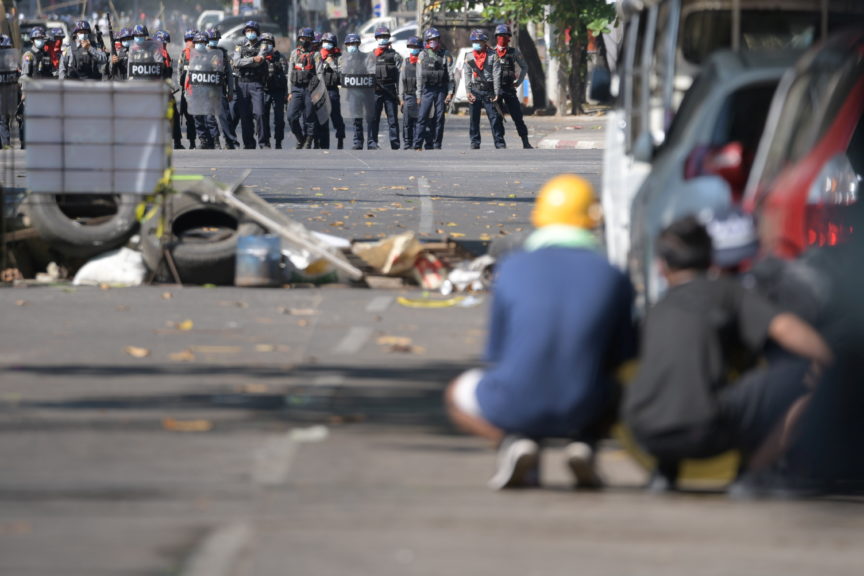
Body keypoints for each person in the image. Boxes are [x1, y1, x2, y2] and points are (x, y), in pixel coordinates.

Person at [445, 174, 637, 490]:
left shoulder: (512, 269)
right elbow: (623, 356)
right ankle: (586, 443)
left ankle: (513, 443)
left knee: (455, 394)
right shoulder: (612, 275)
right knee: (626, 384)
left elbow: (497, 353)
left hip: (515, 402)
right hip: (586, 403)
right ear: (593, 219)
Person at [623, 215, 834, 493]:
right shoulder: (728, 292)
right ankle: (756, 475)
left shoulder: (656, 308)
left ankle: (665, 471)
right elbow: (786, 329)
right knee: (809, 383)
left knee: (677, 383)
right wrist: (835, 363)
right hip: (704, 430)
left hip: (641, 431)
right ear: (713, 260)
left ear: (663, 268)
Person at [463, 29, 505, 149]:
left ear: (484, 42)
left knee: (494, 118)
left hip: (489, 91)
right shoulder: (469, 56)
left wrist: (496, 92)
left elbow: (497, 74)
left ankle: (499, 142)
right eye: (474, 41)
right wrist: (468, 92)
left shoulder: (493, 55)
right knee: (474, 118)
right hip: (475, 90)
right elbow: (466, 75)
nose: (476, 43)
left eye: (479, 41)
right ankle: (475, 142)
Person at [413, 27, 454, 150]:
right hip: (427, 90)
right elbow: (419, 76)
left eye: (435, 39)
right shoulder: (422, 55)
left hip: (440, 90)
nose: (433, 41)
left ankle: (437, 144)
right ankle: (418, 144)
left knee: (439, 117)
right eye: (431, 39)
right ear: (426, 40)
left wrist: (450, 92)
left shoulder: (445, 55)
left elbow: (450, 76)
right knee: (422, 117)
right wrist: (418, 95)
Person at [493, 24, 532, 149]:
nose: (502, 38)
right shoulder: (491, 53)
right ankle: (500, 143)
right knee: (497, 117)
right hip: (496, 90)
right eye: (500, 36)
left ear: (509, 38)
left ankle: (525, 142)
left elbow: (525, 67)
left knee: (517, 116)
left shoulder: (514, 52)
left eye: (505, 36)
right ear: (496, 37)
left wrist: (519, 82)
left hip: (509, 88)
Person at [233, 20, 269, 149]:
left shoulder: (263, 45)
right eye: (247, 31)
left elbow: (260, 61)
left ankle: (263, 142)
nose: (250, 33)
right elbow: (236, 62)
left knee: (259, 113)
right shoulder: (239, 45)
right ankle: (248, 143)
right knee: (245, 116)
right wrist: (252, 59)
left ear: (257, 32)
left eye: (252, 31)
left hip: (256, 83)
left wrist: (248, 60)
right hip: (242, 83)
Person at [366, 26, 401, 150]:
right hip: (375, 91)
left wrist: (400, 95)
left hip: (390, 90)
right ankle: (372, 142)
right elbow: (367, 75)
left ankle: (395, 144)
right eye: (380, 37)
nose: (382, 39)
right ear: (376, 38)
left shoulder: (395, 56)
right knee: (373, 118)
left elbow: (399, 76)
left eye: (385, 37)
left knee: (392, 119)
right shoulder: (371, 56)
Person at [205, 28, 238, 150]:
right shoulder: (202, 52)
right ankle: (215, 140)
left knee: (225, 116)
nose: (214, 41)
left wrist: (230, 90)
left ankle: (229, 141)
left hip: (220, 89)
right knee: (209, 117)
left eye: (216, 39)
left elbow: (229, 74)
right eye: (212, 39)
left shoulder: (223, 53)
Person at [287, 27, 318, 149]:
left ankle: (309, 140)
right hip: (296, 88)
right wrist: (289, 91)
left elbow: (319, 74)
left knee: (310, 116)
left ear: (311, 40)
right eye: (302, 38)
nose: (304, 40)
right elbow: (290, 73)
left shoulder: (316, 55)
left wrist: (317, 92)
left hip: (310, 89)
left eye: (307, 38)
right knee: (291, 116)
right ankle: (300, 138)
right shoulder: (294, 53)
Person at [400, 36, 430, 150]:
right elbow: (401, 80)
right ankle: (408, 143)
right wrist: (401, 98)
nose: (413, 49)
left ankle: (421, 142)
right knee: (407, 121)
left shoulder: (424, 61)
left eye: (415, 47)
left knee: (421, 121)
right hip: (408, 95)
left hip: (422, 96)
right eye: (411, 47)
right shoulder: (406, 61)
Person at [318, 32, 345, 149]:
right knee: (322, 119)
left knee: (336, 117)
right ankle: (324, 145)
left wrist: (331, 63)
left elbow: (342, 73)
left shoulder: (339, 57)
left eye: (329, 43)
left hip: (332, 90)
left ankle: (340, 138)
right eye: (325, 42)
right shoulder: (318, 56)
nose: (326, 45)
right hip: (320, 90)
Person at [260, 32, 287, 149]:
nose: (266, 45)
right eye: (264, 43)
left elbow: (286, 75)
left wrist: (286, 94)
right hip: (263, 91)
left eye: (269, 43)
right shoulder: (258, 57)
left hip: (278, 91)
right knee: (262, 117)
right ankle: (265, 140)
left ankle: (278, 141)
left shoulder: (279, 57)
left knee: (279, 119)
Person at [343, 33, 369, 150]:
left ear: (358, 44)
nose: (351, 46)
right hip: (353, 93)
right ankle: (357, 140)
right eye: (349, 44)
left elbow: (371, 71)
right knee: (356, 119)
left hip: (365, 91)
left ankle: (372, 141)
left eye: (353, 43)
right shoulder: (343, 59)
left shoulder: (365, 57)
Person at [177, 29, 198, 149]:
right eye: (188, 40)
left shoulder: (202, 53)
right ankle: (192, 142)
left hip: (199, 90)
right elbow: (179, 71)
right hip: (187, 91)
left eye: (191, 40)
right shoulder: (184, 53)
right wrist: (181, 84)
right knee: (188, 117)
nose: (189, 43)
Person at [0, 34, 18, 149]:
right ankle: (5, 143)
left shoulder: (11, 63)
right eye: (3, 49)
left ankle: (5, 144)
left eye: (7, 49)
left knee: (4, 120)